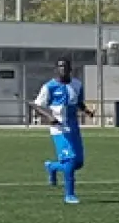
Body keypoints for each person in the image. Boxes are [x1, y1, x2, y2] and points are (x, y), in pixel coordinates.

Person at [30, 57, 96, 205]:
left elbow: (79, 103)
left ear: (70, 69)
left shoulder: (77, 85)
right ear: (56, 69)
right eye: (60, 67)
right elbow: (37, 106)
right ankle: (69, 195)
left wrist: (87, 111)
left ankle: (52, 167)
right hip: (59, 129)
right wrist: (49, 117)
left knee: (78, 163)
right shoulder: (49, 87)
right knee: (70, 161)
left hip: (73, 127)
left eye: (66, 67)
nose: (63, 69)